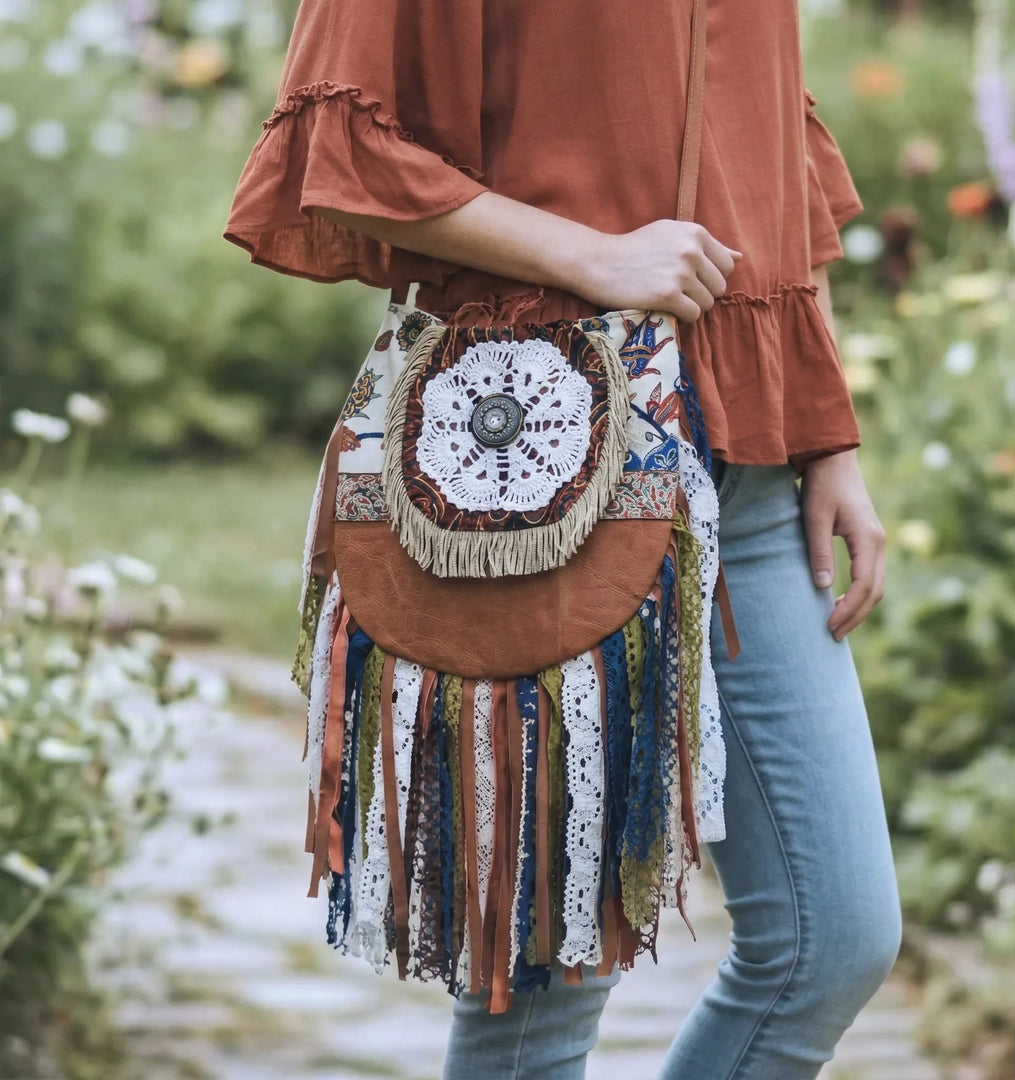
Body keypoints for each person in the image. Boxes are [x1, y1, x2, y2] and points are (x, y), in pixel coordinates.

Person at [224, 0, 904, 1076]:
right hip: (548, 466)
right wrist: (595, 256)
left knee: (835, 942)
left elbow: (769, 137)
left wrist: (830, 437)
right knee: (541, 986)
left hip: (754, 474)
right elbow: (342, 147)